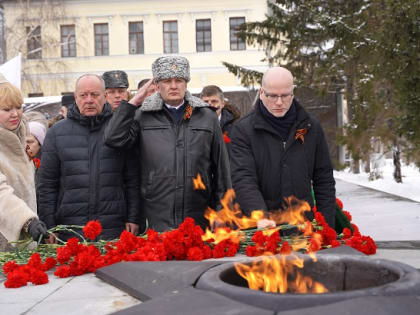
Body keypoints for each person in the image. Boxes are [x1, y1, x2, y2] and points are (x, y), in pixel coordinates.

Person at [105, 56, 231, 232]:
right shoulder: (143, 116)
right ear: (157, 85)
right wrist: (134, 102)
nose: (173, 86)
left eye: (179, 80)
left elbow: (221, 169)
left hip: (198, 214)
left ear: (186, 83)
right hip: (156, 214)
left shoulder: (204, 116)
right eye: (167, 81)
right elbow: (113, 138)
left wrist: (222, 210)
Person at [38, 74, 141, 242]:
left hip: (113, 228)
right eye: (83, 95)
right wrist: (50, 225)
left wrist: (133, 217)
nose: (89, 100)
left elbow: (132, 179)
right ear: (75, 97)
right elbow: (47, 184)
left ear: (104, 96)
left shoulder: (119, 130)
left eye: (95, 95)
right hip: (70, 231)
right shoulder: (56, 133)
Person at [230, 67, 336, 229]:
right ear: (261, 93)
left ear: (292, 93)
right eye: (272, 96)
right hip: (262, 227)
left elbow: (323, 178)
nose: (279, 102)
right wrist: (259, 215)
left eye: (285, 96)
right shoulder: (243, 130)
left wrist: (326, 224)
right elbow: (243, 178)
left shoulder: (310, 126)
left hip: (303, 224)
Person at [0, 76, 49, 251]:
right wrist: (27, 221)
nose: (15, 114)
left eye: (18, 107)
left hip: (24, 242)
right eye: (6, 109)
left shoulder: (20, 139)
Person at [200, 85, 240, 154]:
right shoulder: (192, 126)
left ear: (222, 104)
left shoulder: (235, 127)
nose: (210, 105)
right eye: (206, 102)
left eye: (214, 101)